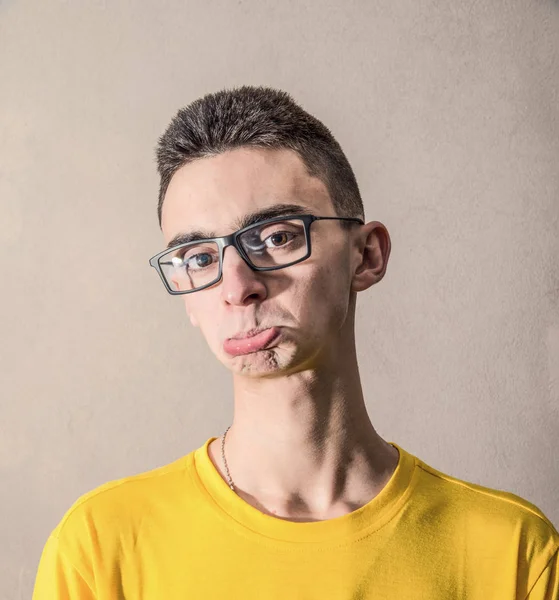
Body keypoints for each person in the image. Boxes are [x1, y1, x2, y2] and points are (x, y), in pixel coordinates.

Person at [33, 85, 558, 599]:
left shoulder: (512, 553)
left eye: (276, 237)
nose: (237, 287)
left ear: (366, 255)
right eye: (199, 258)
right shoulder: (100, 549)